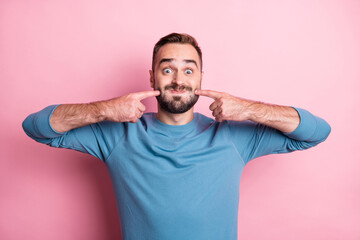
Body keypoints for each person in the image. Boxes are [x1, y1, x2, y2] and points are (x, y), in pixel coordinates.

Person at [22, 33, 331, 240]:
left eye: (188, 70)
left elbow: (315, 132)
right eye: (167, 70)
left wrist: (247, 109)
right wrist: (104, 110)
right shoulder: (119, 133)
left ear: (199, 78)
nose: (178, 81)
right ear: (152, 76)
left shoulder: (231, 137)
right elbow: (37, 127)